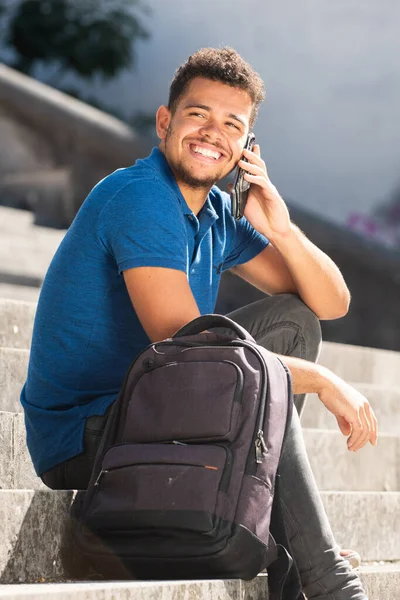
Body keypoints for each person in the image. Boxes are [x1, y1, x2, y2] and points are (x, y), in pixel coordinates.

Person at [21, 47, 377, 599]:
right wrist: (324, 381)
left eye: (231, 125)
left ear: (246, 148)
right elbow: (187, 347)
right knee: (255, 381)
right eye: (198, 115)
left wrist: (280, 227)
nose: (212, 133)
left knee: (292, 319)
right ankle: (329, 581)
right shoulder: (141, 197)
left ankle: (287, 549)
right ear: (166, 121)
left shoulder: (214, 212)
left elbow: (330, 303)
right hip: (87, 433)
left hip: (151, 410)